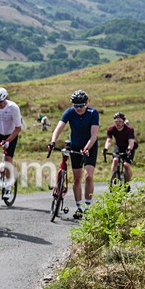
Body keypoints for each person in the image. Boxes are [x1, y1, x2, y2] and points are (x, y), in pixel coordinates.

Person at [48, 89, 99, 219]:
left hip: (90, 146)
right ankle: (79, 207)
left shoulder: (93, 113)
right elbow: (59, 128)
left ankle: (88, 207)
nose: (79, 108)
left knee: (88, 176)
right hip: (75, 145)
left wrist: (87, 148)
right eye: (76, 106)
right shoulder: (70, 112)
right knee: (77, 178)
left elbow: (94, 135)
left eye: (81, 106)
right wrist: (53, 141)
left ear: (86, 103)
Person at [0, 87, 22, 200]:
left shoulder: (13, 107)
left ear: (5, 99)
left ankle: (8, 187)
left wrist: (8, 140)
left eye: (1, 102)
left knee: (8, 160)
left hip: (11, 134)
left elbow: (18, 128)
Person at [104, 112, 137, 184]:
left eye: (120, 121)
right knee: (115, 160)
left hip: (129, 147)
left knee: (126, 165)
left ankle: (127, 184)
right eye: (116, 121)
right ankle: (114, 178)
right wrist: (106, 148)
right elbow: (109, 140)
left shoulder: (129, 129)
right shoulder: (111, 129)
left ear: (123, 122)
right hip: (118, 146)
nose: (118, 123)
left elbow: (131, 141)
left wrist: (129, 149)